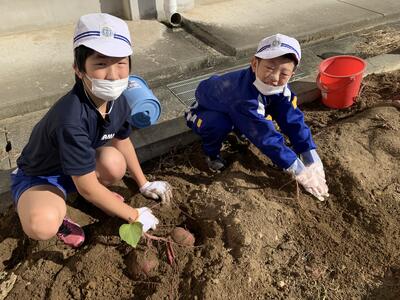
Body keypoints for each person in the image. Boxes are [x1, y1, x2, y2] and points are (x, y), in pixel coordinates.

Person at [10, 13, 172, 248]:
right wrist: (133, 215)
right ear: (78, 69)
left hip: (77, 169)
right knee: (41, 225)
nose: (113, 75)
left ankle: (92, 196)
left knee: (115, 163)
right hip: (43, 176)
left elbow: (122, 141)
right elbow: (87, 186)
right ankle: (58, 213)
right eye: (101, 64)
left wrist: (144, 183)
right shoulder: (70, 118)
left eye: (120, 63)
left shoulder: (119, 101)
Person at [185, 33, 329, 201]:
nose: (275, 78)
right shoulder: (242, 96)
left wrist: (308, 152)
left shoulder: (280, 89)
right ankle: (211, 154)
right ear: (254, 64)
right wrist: (297, 168)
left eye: (284, 73)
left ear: (292, 75)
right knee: (218, 124)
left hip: (237, 109)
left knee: (273, 108)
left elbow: (293, 119)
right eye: (269, 68)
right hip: (203, 112)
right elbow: (265, 137)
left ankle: (240, 127)